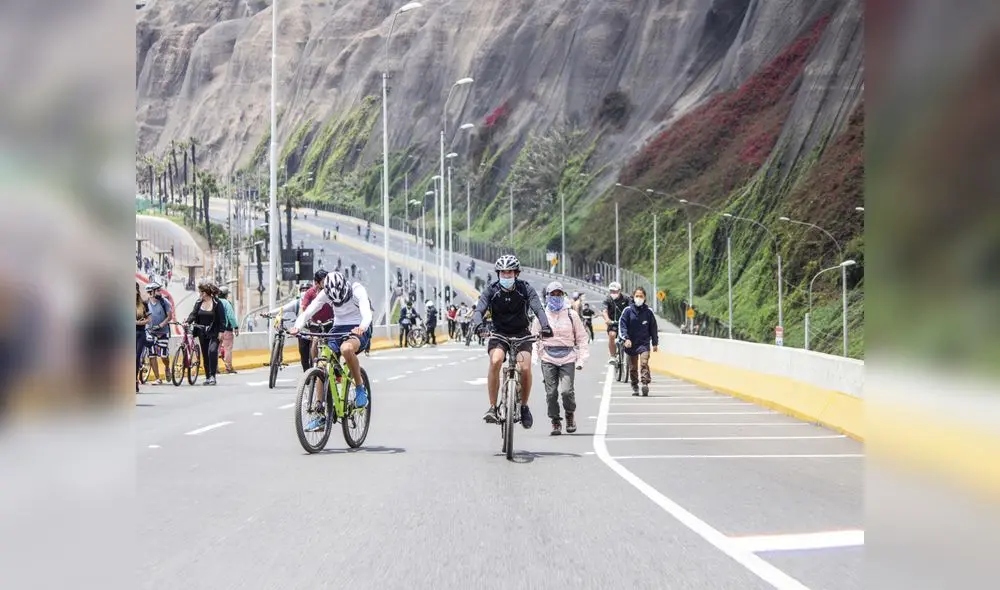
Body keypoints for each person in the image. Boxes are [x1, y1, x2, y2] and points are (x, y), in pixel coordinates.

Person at [471, 255, 552, 428]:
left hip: (522, 334)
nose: (506, 276)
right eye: (503, 273)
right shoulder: (491, 291)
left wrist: (545, 326)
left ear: (516, 274)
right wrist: (479, 326)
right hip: (499, 334)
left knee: (525, 367)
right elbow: (479, 310)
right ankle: (493, 407)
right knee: (496, 361)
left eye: (510, 273)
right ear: (498, 274)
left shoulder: (525, 289)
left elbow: (538, 308)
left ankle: (523, 406)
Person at [291, 271, 373, 430]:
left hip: (358, 327)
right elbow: (308, 312)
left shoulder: (357, 290)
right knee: (321, 362)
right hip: (338, 327)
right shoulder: (325, 293)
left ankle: (360, 388)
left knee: (346, 349)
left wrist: (362, 327)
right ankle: (320, 411)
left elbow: (367, 313)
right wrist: (297, 327)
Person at [532, 282, 588, 435]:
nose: (556, 297)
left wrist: (582, 359)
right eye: (553, 294)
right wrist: (535, 356)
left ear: (563, 296)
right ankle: (555, 421)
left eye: (559, 294)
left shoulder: (571, 315)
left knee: (566, 392)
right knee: (551, 393)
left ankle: (570, 414)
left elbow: (582, 338)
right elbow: (535, 338)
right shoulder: (541, 315)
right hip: (548, 357)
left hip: (568, 357)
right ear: (547, 296)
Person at [619, 287, 659, 396]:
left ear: (645, 297)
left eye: (641, 296)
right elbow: (622, 326)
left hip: (644, 343)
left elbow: (653, 328)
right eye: (637, 296)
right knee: (633, 367)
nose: (639, 298)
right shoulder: (627, 311)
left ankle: (645, 383)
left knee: (644, 363)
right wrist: (626, 338)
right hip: (631, 343)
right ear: (633, 297)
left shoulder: (648, 312)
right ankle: (635, 386)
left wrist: (655, 343)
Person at [185, 282, 226, 386]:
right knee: (205, 354)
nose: (200, 294)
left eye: (201, 292)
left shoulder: (217, 303)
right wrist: (188, 321)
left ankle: (213, 376)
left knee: (212, 351)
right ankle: (208, 377)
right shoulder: (199, 302)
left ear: (206, 293)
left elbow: (222, 319)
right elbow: (193, 314)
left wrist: (221, 331)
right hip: (201, 332)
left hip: (214, 332)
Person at [298, 270, 334, 370]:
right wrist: (304, 320)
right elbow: (303, 308)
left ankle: (335, 369)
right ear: (316, 283)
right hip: (315, 324)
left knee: (334, 346)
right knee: (314, 343)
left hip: (330, 323)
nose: (326, 284)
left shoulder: (331, 291)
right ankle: (315, 367)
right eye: (323, 282)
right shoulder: (310, 293)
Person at [144, 282, 173, 384]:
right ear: (151, 292)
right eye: (157, 290)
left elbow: (169, 317)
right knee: (152, 355)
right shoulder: (146, 303)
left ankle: (167, 367)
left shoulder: (164, 302)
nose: (159, 292)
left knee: (163, 355)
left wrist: (160, 325)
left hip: (163, 332)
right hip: (150, 332)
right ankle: (157, 378)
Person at [602, 281, 630, 364]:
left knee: (629, 337)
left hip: (625, 323)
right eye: (611, 291)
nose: (613, 293)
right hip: (613, 323)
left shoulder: (626, 299)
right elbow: (604, 311)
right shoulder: (608, 299)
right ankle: (612, 356)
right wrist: (607, 320)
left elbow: (632, 309)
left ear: (619, 291)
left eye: (615, 291)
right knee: (612, 335)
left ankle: (630, 355)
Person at [218, 286, 240, 374]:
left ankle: (214, 368)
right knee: (228, 349)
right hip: (226, 329)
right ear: (226, 295)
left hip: (216, 329)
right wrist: (236, 327)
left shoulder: (215, 302)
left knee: (216, 348)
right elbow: (231, 316)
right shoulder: (227, 303)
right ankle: (228, 367)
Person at [136, 283, 151, 392]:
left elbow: (149, 319)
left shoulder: (143, 305)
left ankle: (134, 381)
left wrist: (138, 323)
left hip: (140, 333)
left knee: (136, 358)